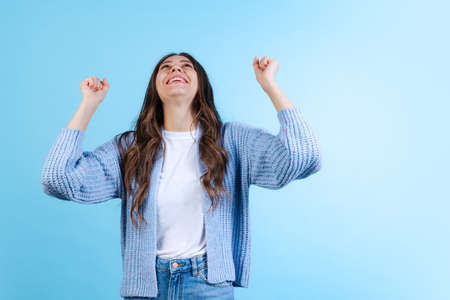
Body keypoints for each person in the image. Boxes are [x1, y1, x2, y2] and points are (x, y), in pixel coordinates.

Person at [40, 52, 322, 299]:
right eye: (166, 67)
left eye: (185, 66)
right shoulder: (130, 148)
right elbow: (57, 179)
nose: (176, 70)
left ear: (200, 84)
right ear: (155, 87)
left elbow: (303, 156)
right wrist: (88, 104)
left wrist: (270, 85)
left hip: (208, 285)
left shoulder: (232, 141)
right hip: (148, 288)